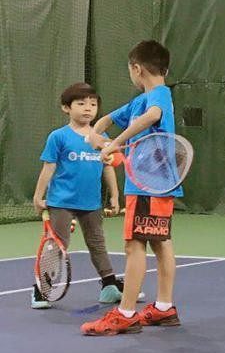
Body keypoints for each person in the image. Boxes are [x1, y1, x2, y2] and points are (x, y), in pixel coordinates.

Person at [80, 40, 183, 335]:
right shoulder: (138, 102)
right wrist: (96, 137)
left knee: (134, 244)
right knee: (160, 243)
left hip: (150, 184)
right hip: (152, 185)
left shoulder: (159, 95)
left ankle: (125, 313)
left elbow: (153, 117)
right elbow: (104, 121)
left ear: (136, 69)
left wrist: (114, 143)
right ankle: (164, 308)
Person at [31, 83, 124, 309]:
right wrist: (38, 197)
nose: (88, 108)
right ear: (66, 107)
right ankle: (42, 290)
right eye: (81, 104)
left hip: (91, 203)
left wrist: (114, 195)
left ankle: (109, 286)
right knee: (56, 246)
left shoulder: (101, 136)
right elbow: (48, 168)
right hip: (61, 202)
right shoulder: (58, 137)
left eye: (93, 104)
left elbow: (108, 166)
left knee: (97, 243)